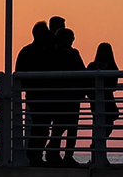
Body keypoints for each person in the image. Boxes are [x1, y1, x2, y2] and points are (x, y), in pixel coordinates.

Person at [46, 28, 88, 166]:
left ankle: (68, 155)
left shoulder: (75, 53)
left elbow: (83, 71)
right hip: (61, 96)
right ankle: (53, 152)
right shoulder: (54, 53)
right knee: (59, 126)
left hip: (73, 96)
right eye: (70, 38)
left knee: (72, 127)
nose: (72, 41)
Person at [15, 20, 52, 164]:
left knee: (41, 127)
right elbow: (21, 74)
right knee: (40, 127)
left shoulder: (32, 51)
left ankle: (35, 155)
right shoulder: (31, 52)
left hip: (40, 94)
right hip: (37, 95)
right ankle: (34, 155)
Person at [88, 42, 121, 165]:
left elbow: (114, 84)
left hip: (108, 99)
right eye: (102, 51)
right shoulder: (92, 66)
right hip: (97, 100)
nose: (104, 53)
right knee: (99, 125)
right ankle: (97, 153)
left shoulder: (112, 67)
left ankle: (96, 147)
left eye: (106, 51)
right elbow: (87, 82)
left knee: (108, 123)